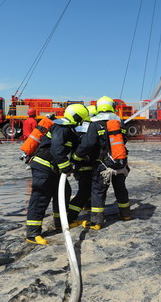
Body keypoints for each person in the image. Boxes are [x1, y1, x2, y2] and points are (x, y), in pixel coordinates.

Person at [25, 104, 89, 245]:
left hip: (53, 168)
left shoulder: (67, 129)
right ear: (77, 118)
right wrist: (66, 167)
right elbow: (56, 149)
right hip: (44, 166)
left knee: (65, 191)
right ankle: (32, 233)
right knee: (40, 197)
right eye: (81, 119)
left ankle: (61, 222)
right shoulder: (61, 127)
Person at [72, 95, 130, 230]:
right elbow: (124, 140)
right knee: (121, 189)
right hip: (121, 163)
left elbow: (87, 144)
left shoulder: (95, 124)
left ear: (98, 108)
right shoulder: (119, 122)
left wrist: (76, 157)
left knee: (98, 191)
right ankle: (126, 214)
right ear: (112, 107)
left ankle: (96, 222)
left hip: (103, 166)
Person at [67, 105, 98, 225]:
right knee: (84, 191)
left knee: (86, 188)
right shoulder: (89, 130)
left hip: (79, 165)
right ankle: (71, 214)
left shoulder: (78, 128)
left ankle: (87, 206)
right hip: (86, 165)